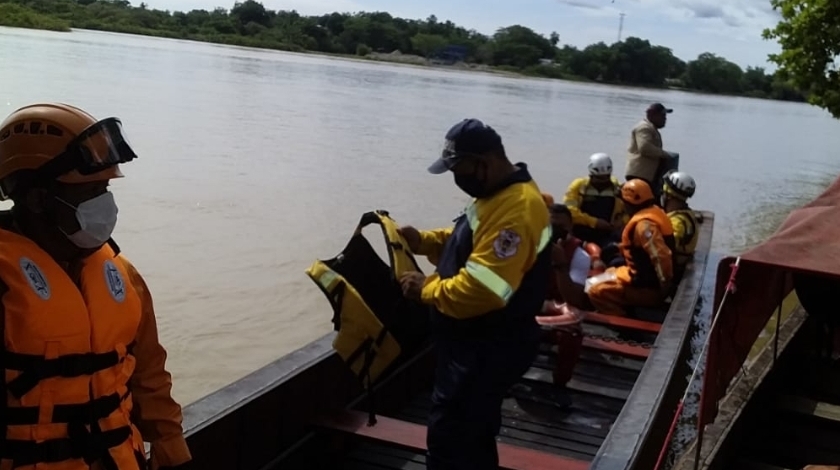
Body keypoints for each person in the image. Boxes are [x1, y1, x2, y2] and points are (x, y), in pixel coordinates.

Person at [0, 103, 192, 470]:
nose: (106, 203)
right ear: (38, 199)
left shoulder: (122, 276)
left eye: (105, 188)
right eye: (91, 191)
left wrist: (170, 445)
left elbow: (149, 376)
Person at [396, 118, 552, 470]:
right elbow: (468, 243)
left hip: (488, 346)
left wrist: (427, 289)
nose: (456, 178)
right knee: (473, 437)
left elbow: (484, 289)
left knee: (452, 439)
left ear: (487, 161)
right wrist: (424, 241)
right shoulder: (495, 195)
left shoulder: (516, 209)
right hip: (473, 344)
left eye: (460, 168)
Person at [587, 179, 675, 317]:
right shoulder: (654, 212)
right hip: (639, 277)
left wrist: (664, 287)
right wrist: (621, 248)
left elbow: (661, 255)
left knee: (593, 290)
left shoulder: (644, 226)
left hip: (647, 288)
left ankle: (622, 321)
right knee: (601, 275)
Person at [563, 152, 626, 247]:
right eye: (599, 178)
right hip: (581, 232)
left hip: (608, 233)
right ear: (591, 175)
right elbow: (570, 211)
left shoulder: (616, 188)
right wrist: (595, 222)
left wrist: (621, 222)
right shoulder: (578, 186)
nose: (603, 181)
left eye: (606, 177)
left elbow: (627, 210)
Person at [626, 103, 675, 201]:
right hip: (639, 175)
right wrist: (666, 155)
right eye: (662, 116)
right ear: (652, 115)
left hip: (645, 176)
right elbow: (645, 148)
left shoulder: (651, 128)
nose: (665, 119)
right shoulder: (644, 128)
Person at [662, 171, 699, 282]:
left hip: (674, 273)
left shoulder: (677, 222)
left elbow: (665, 249)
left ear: (669, 196)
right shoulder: (685, 214)